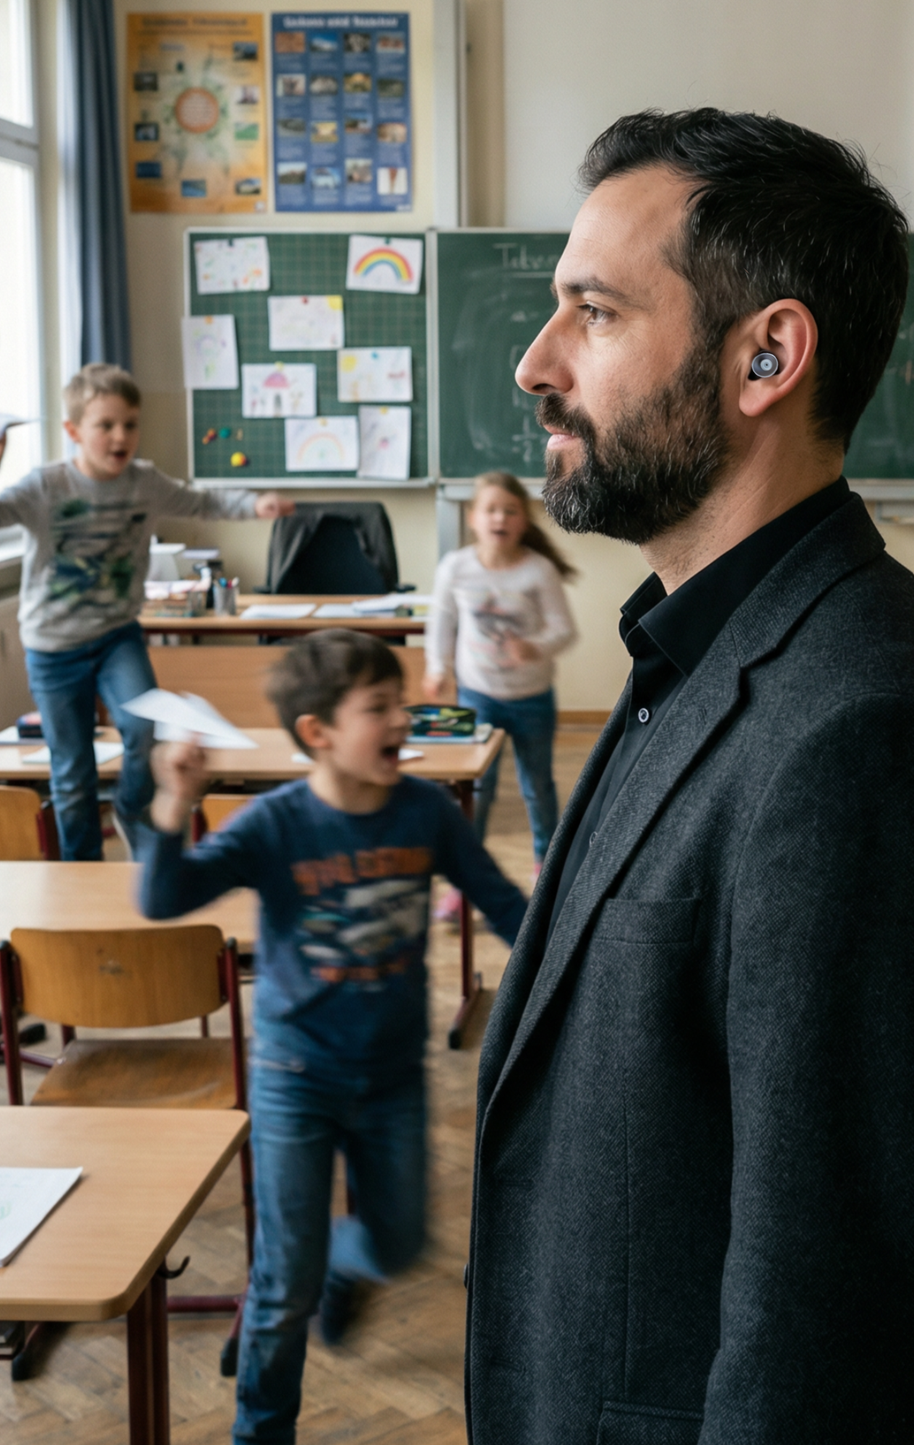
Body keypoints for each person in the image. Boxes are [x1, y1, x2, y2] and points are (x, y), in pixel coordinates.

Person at [464, 108, 914, 1443]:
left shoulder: (865, 736)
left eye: (594, 313)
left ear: (766, 355)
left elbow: (833, 1344)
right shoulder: (705, 644)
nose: (536, 362)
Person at [135, 629, 528, 1445]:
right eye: (379, 708)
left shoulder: (424, 811)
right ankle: (260, 1429)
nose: (403, 720)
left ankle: (348, 1268)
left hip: (392, 1076)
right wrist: (174, 802)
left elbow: (499, 900)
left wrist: (567, 961)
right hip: (294, 1075)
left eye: (403, 704)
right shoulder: (276, 823)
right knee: (283, 1283)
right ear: (317, 732)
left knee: (398, 1238)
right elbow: (164, 895)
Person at [0, 363, 294, 859]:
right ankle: (82, 873)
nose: (121, 436)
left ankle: (133, 811)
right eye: (106, 425)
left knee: (144, 728)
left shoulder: (144, 482)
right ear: (73, 432)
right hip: (53, 647)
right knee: (72, 773)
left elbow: (201, 502)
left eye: (130, 424)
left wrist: (254, 503)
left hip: (116, 636)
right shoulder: (45, 487)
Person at [423, 470, 577, 904]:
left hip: (532, 697)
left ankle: (545, 868)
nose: (500, 518)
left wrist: (535, 647)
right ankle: (465, 877)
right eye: (491, 509)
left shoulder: (538, 571)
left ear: (523, 522)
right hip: (477, 695)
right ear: (473, 518)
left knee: (537, 786)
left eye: (510, 511)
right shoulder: (456, 568)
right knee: (478, 787)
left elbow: (564, 631)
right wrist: (436, 666)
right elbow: (442, 622)